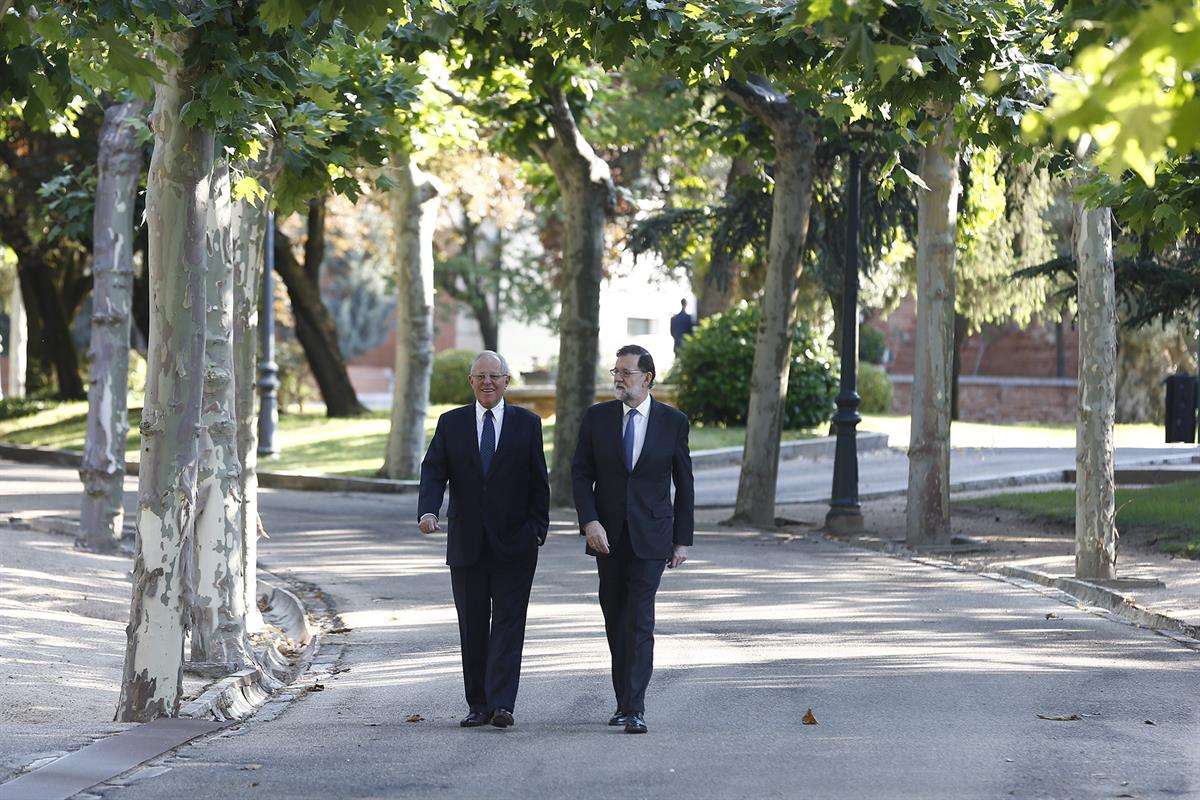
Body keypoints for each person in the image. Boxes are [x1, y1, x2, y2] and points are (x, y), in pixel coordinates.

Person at [417, 350, 549, 729]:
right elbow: (433, 471)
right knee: (473, 626)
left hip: (516, 544)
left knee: (509, 624)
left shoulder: (527, 424)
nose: (488, 382)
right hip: (467, 543)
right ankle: (478, 705)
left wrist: (537, 530)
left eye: (495, 376)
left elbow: (539, 482)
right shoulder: (451, 423)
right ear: (471, 382)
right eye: (480, 376)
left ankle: (503, 704)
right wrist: (428, 511)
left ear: (507, 381)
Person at [571, 344, 694, 734]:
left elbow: (684, 483)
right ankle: (623, 700)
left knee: (640, 620)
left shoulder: (672, 422)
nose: (619, 379)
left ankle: (634, 707)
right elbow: (579, 475)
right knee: (615, 618)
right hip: (606, 537)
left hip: (652, 536)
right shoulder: (597, 418)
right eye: (616, 372)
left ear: (647, 378)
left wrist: (682, 540)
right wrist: (589, 522)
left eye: (627, 372)